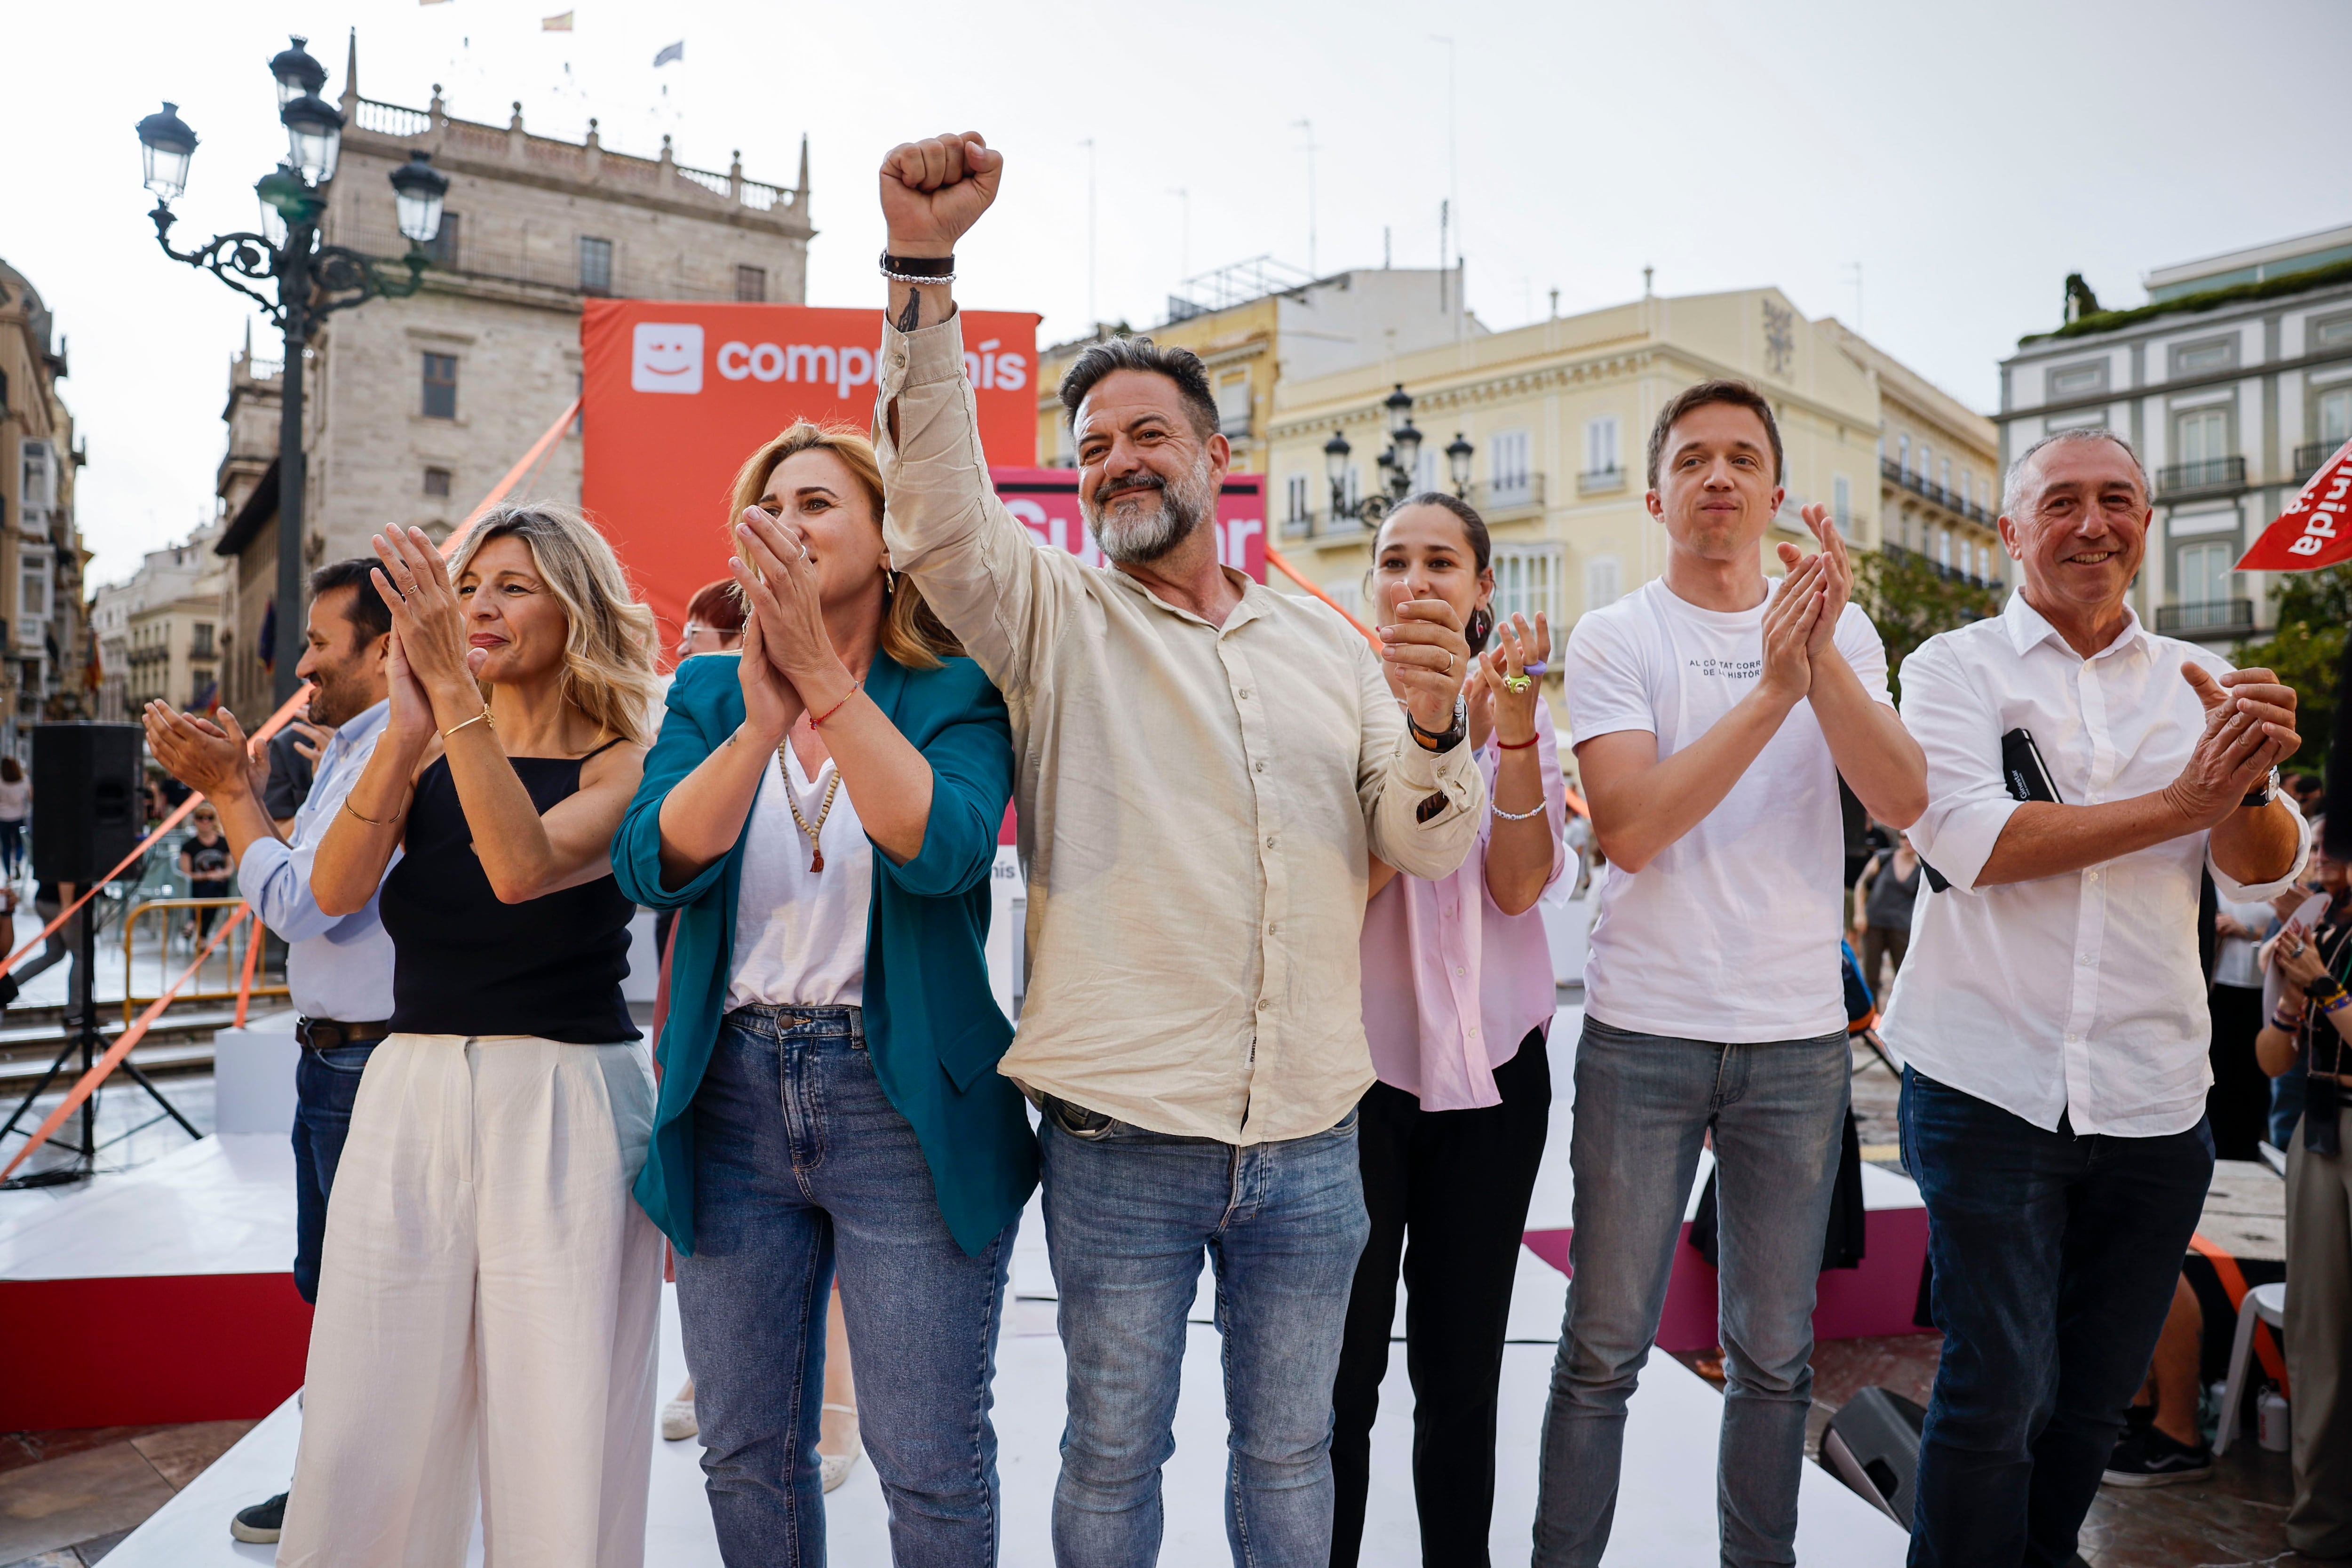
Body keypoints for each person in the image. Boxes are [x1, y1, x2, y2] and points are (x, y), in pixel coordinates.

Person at [876, 132, 1483, 1565]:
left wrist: (1440, 727)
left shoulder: (1328, 648)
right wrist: (921, 274)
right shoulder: (1048, 619)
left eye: (1147, 435)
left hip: (1312, 1139)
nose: (1115, 462)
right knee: (1111, 1451)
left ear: (1218, 459)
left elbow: (1419, 841)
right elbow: (940, 511)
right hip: (1118, 1139)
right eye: (1089, 447)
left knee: (1289, 1453)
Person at [1879, 425, 2307, 1567]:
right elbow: (1968, 840)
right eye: (2059, 501)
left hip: (2152, 1090)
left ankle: (2043, 1551)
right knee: (1997, 1381)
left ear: (2146, 527)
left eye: (2116, 499)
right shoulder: (1951, 667)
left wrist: (2249, 783)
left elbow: (2262, 867)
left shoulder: (2195, 682)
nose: (2090, 522)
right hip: (1986, 1079)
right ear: (2011, 533)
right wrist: (2183, 800)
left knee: (2091, 1393)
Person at [617, 421, 1029, 1562]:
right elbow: (651, 865)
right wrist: (758, 724)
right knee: (746, 1450)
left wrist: (824, 687)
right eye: (771, 509)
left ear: (888, 539)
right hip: (733, 1093)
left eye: (817, 504)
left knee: (930, 1459)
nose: (788, 526)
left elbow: (942, 852)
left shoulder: (953, 690)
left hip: (901, 1104)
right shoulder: (704, 693)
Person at [1536, 378, 1926, 1568]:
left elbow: (1906, 799)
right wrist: (1772, 688)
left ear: (1772, 494)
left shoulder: (1842, 637)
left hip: (1796, 1037)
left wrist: (1821, 662)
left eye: (1742, 459)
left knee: (1775, 1355)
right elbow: (1634, 831)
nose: (1719, 476)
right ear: (1656, 496)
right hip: (1644, 1031)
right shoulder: (1617, 636)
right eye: (1694, 459)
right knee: (1603, 1344)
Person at [278, 505, 660, 1568]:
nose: (479, 606)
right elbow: (333, 890)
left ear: (575, 607)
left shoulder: (628, 759)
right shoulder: (425, 744)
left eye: (513, 585)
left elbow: (522, 867)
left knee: (558, 1408)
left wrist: (451, 698)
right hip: (410, 1090)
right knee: (370, 1391)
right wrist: (406, 737)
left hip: (565, 1102)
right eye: (472, 582)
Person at [139, 558, 397, 1546]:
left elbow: (304, 902)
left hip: (370, 1060)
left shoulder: (389, 754)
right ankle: (342, 1476)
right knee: (331, 1284)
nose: (301, 666)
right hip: (335, 1058)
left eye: (319, 645)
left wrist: (228, 795)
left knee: (356, 1291)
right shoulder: (351, 745)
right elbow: (309, 864)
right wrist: (242, 788)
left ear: (381, 649)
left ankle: (350, 1488)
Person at [1330, 495, 1566, 1567]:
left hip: (1496, 1080)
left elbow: (1518, 889)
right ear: (1369, 584)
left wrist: (1507, 731)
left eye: (1443, 562)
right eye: (1394, 561)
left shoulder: (1523, 711)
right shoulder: (1330, 704)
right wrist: (1429, 739)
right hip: (1355, 1080)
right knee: (1339, 1377)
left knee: (1462, 1375)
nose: (1417, 579)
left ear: (1482, 591)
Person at [2256, 816, 2351, 1559]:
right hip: (2318, 1134)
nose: (2326, 867)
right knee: (2317, 1339)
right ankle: (2316, 1531)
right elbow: (2269, 1061)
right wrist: (2292, 1000)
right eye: (2323, 853)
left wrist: (2328, 988)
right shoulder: (2322, 928)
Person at [2209, 879, 2283, 1160]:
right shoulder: (2215, 876)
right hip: (2220, 985)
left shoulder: (2283, 878)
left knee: (2253, 1076)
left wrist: (2247, 931)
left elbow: (2290, 929)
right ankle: (2216, 1148)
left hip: (2264, 991)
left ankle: (2247, 1147)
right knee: (2219, 1070)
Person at [1851, 830, 1922, 995]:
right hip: (1874, 922)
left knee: (1904, 975)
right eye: (1904, 837)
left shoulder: (1921, 869)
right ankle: (1873, 1017)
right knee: (1871, 976)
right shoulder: (1884, 858)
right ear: (1899, 839)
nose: (1907, 842)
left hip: (1901, 926)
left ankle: (1901, 1016)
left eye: (1911, 838)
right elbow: (1861, 884)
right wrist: (1859, 913)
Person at [175, 805, 235, 943]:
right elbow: (186, 873)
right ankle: (202, 938)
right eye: (201, 818)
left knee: (214, 891)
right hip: (197, 888)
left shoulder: (223, 843)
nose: (205, 822)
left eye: (209, 818)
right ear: (195, 820)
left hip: (221, 887)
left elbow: (230, 869)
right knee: (209, 893)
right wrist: (208, 876)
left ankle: (193, 922)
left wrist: (219, 875)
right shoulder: (189, 846)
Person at [0, 756, 29, 881]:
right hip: (19, 817)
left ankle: (8, 876)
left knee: (6, 846)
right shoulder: (24, 780)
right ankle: (17, 862)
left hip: (3, 818)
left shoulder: (1, 782)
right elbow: (32, 797)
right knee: (20, 844)